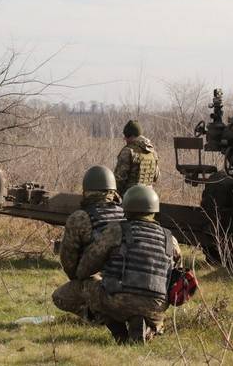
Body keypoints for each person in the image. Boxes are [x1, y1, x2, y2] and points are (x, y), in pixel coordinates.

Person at [75, 184, 180, 344]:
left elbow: (85, 269)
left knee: (78, 289)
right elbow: (176, 281)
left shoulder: (116, 231)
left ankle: (116, 327)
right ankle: (149, 327)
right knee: (148, 305)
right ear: (154, 209)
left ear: (127, 208)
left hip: (119, 302)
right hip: (155, 308)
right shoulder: (170, 239)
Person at [52, 165, 124, 320]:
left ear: (86, 190)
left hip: (102, 285)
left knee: (59, 296)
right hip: (132, 284)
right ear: (113, 191)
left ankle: (99, 317)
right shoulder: (127, 214)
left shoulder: (80, 218)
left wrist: (79, 280)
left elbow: (69, 262)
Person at [114, 120, 159, 196]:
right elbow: (156, 176)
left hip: (131, 197)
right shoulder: (152, 151)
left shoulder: (128, 151)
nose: (125, 139)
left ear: (132, 136)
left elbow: (119, 180)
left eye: (126, 136)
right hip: (149, 197)